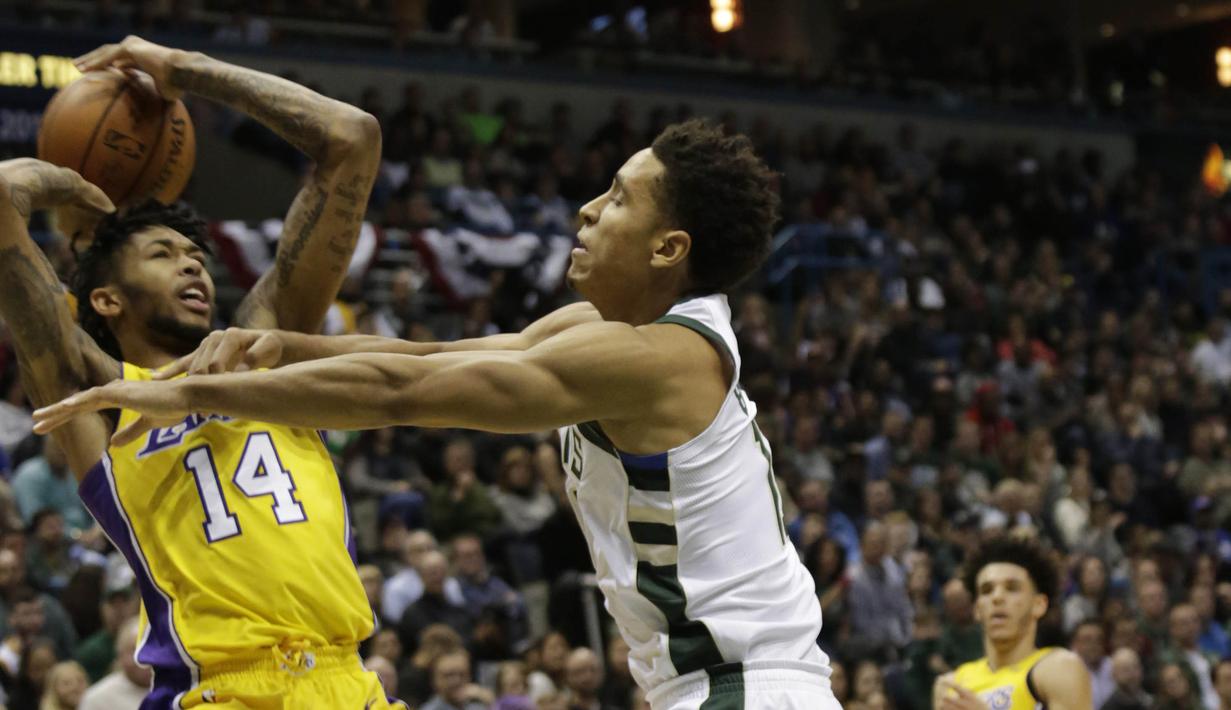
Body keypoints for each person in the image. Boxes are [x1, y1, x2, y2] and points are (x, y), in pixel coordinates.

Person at [38, 120, 840, 708]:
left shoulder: (657, 359)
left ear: (669, 249)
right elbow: (431, 357)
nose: (589, 209)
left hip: (745, 690)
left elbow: (402, 395)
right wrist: (271, 344)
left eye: (619, 199)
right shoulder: (594, 332)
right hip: (705, 687)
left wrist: (181, 390)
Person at [0, 33, 395, 707]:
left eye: (195, 255)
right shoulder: (93, 394)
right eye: (162, 253)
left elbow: (351, 138)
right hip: (222, 692)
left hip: (349, 685)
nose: (192, 264)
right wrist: (77, 187)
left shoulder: (264, 352)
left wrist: (187, 71)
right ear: (105, 298)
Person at [933, 536, 1091, 710]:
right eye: (987, 590)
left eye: (1012, 588)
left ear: (1039, 605)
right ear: (977, 609)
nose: (997, 597)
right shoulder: (951, 685)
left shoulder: (1058, 668)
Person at [79, 618, 149, 710]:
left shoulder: (172, 690)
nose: (144, 659)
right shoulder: (97, 699)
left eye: (149, 650)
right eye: (134, 650)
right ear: (119, 655)